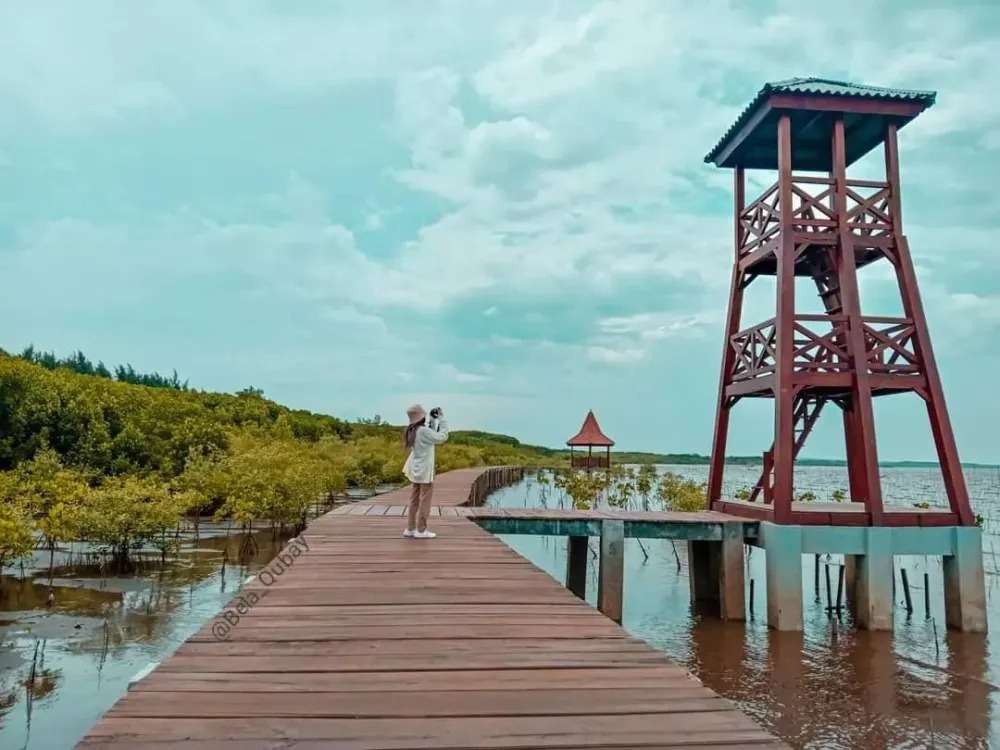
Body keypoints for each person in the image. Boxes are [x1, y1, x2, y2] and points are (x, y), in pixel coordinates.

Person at [402, 404, 449, 539]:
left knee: (414, 500)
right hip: (425, 471)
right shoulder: (422, 431)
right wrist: (442, 419)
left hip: (416, 470)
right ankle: (421, 530)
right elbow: (441, 437)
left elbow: (431, 436)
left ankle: (410, 529)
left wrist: (434, 421)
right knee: (425, 501)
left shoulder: (412, 430)